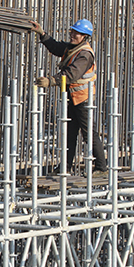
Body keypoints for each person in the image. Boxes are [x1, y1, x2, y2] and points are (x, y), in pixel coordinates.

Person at [30, 18, 107, 176]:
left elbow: (71, 74)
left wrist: (51, 81)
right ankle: (65, 166)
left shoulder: (85, 54)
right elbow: (57, 47)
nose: (73, 35)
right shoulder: (73, 48)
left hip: (83, 99)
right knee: (70, 133)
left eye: (77, 33)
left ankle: (101, 167)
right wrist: (42, 34)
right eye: (73, 31)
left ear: (84, 36)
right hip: (73, 97)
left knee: (89, 134)